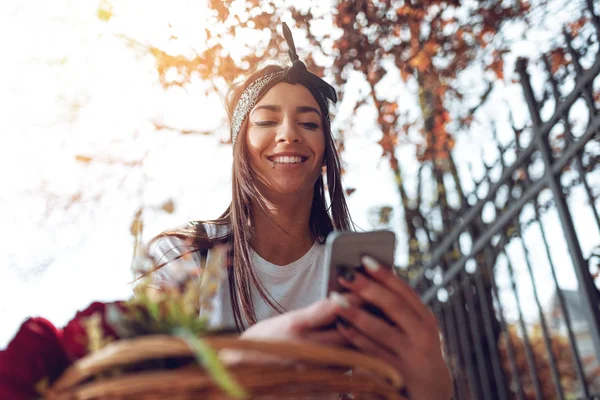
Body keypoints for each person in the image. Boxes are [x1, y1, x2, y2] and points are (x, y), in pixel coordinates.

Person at [138, 22, 452, 400]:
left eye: (308, 122)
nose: (289, 133)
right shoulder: (184, 258)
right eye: (267, 121)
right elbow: (140, 385)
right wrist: (247, 362)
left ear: (323, 152)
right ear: (240, 147)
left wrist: (429, 384)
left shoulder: (358, 277)